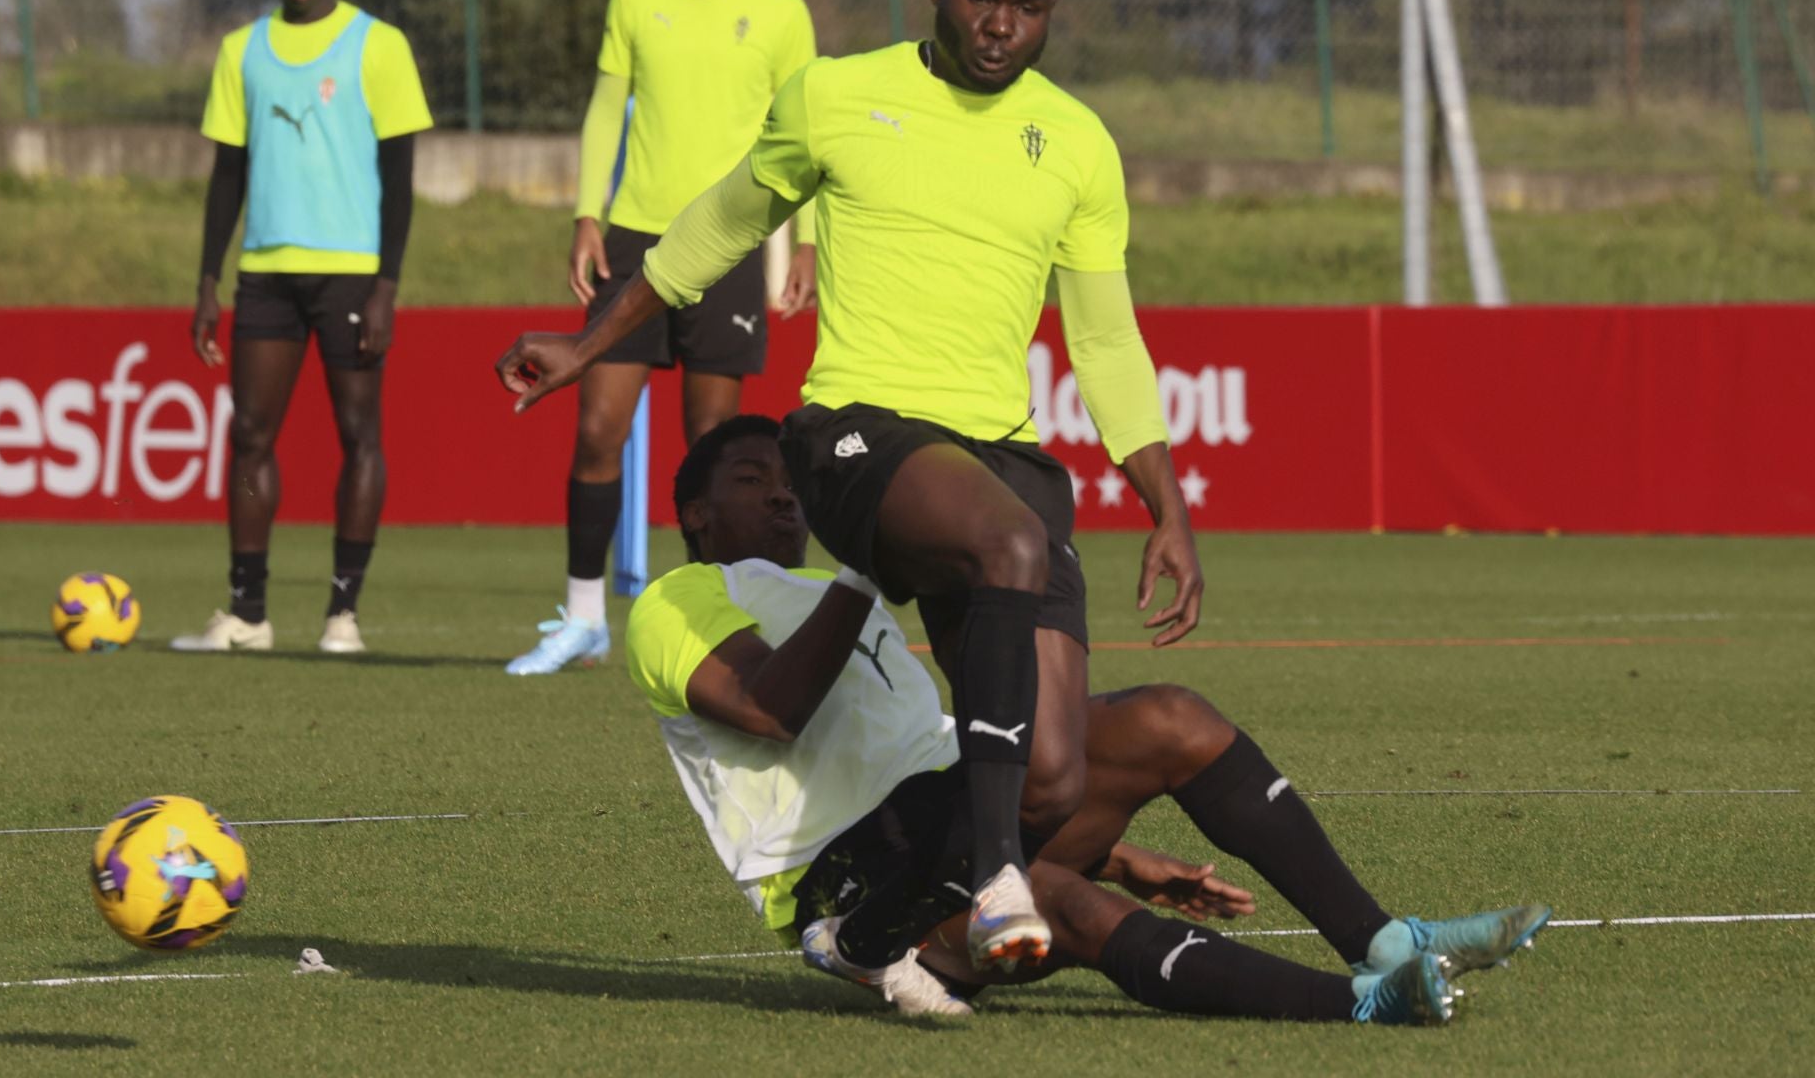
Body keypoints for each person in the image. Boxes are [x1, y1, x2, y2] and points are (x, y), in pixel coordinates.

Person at [498, 0, 1198, 971]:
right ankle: (1001, 872)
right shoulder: (836, 94)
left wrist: (1169, 504)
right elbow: (716, 223)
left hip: (998, 456)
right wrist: (590, 345)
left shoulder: (1079, 144)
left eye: (1028, 5)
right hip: (863, 443)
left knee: (1055, 769)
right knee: (1007, 544)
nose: (1002, 21)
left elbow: (1105, 340)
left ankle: (882, 931)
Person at [623, 415, 1550, 1023]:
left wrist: (1118, 851)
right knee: (1060, 906)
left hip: (946, 820)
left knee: (1170, 719)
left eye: (791, 479)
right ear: (696, 513)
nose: (786, 493)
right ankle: (1358, 1001)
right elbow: (767, 707)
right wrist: (868, 569)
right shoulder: (678, 598)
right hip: (847, 880)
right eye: (753, 479)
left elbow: (950, 758)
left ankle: (1386, 941)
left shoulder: (837, 592)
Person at [506, 0, 818, 677]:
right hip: (637, 241)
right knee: (598, 428)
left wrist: (807, 241)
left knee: (715, 450)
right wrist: (586, 216)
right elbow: (608, 107)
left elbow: (805, 134)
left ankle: (720, 616)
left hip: (734, 242)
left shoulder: (782, 13)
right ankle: (582, 618)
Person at [172, 0, 432, 655]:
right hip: (265, 276)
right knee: (250, 436)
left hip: (350, 275)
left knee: (359, 435)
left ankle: (342, 614)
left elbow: (401, 176)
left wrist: (387, 284)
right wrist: (206, 281)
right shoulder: (241, 51)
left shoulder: (377, 44)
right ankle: (247, 612)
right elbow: (227, 175)